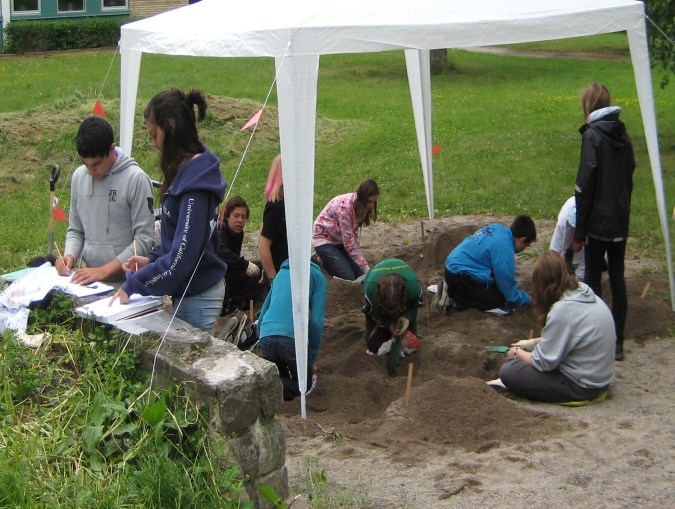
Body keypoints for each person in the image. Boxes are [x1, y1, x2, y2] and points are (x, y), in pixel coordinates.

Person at [111, 88, 227, 333]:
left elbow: (181, 259)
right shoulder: (186, 172)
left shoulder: (196, 184)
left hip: (197, 294)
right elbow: (176, 240)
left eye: (155, 134)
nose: (153, 143)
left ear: (171, 127)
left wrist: (133, 284)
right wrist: (151, 260)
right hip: (190, 291)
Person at [572, 83, 635, 361]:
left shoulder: (593, 136)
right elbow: (629, 174)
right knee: (618, 277)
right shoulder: (623, 134)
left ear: (588, 105)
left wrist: (580, 231)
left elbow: (585, 185)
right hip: (620, 218)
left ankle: (597, 339)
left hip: (598, 221)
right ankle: (617, 342)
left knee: (593, 278)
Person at [498, 251, 615, 403]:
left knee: (509, 371)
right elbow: (566, 337)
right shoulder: (581, 291)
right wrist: (532, 343)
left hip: (582, 386)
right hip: (599, 378)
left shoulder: (562, 310)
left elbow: (543, 363)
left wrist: (517, 353)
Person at [55, 117, 155, 285]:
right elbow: (76, 230)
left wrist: (104, 270)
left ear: (112, 149)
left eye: (96, 164)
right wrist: (69, 256)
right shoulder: (79, 177)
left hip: (127, 282)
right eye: (85, 164)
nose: (91, 170)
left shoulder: (136, 179)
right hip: (91, 280)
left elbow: (144, 239)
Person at [258, 260, 327, 401]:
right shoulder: (317, 276)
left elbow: (262, 314)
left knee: (280, 379)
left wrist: (261, 338)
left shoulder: (281, 274)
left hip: (266, 334)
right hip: (291, 339)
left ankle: (270, 387)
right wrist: (311, 358)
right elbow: (316, 322)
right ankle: (261, 387)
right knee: (304, 386)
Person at [441, 215, 536, 315]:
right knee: (498, 302)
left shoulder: (497, 228)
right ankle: (454, 298)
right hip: (459, 277)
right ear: (522, 240)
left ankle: (453, 289)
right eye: (526, 246)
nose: (524, 249)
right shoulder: (505, 248)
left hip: (451, 266)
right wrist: (527, 299)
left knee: (494, 289)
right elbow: (509, 293)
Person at [363, 258, 423, 373]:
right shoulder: (371, 290)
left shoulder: (413, 288)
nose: (392, 313)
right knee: (373, 346)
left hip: (405, 309)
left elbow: (415, 306)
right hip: (379, 314)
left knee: (411, 345)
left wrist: (406, 318)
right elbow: (370, 313)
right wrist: (389, 323)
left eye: (394, 310)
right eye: (388, 310)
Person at [312, 178, 379, 281]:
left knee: (359, 274)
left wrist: (362, 267)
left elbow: (352, 236)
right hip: (323, 240)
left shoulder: (361, 207)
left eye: (374, 202)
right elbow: (349, 243)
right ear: (362, 198)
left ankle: (330, 258)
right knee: (348, 277)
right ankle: (320, 260)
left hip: (339, 239)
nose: (371, 206)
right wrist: (367, 269)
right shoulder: (345, 208)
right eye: (369, 202)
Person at [217, 196, 264, 315]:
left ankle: (239, 301)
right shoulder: (220, 230)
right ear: (227, 216)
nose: (240, 220)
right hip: (219, 275)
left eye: (243, 217)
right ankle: (228, 304)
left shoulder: (238, 232)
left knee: (261, 268)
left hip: (232, 273)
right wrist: (244, 265)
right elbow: (220, 251)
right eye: (236, 216)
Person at [258, 155, 287, 284]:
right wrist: (273, 278)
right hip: (279, 273)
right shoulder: (277, 207)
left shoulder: (281, 205)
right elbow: (263, 245)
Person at [549, 196, 584, 280]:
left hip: (587, 224)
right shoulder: (563, 224)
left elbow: (584, 266)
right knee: (563, 256)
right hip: (569, 212)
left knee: (588, 258)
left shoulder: (592, 228)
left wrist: (578, 284)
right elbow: (554, 252)